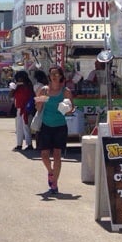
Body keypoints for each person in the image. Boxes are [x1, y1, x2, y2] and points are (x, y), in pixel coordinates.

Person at [34, 66, 74, 195]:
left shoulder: (66, 91)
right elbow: (38, 108)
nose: (55, 76)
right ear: (49, 76)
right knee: (44, 155)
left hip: (60, 126)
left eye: (57, 74)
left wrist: (68, 109)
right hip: (45, 126)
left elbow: (71, 110)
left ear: (61, 76)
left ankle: (54, 184)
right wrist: (41, 100)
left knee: (57, 155)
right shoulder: (43, 90)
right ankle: (51, 172)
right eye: (52, 74)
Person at [12, 70, 34, 151]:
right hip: (19, 109)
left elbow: (30, 92)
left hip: (26, 109)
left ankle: (29, 144)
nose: (18, 79)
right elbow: (11, 95)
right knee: (19, 128)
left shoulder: (28, 85)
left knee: (26, 127)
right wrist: (14, 87)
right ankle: (19, 144)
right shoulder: (17, 86)